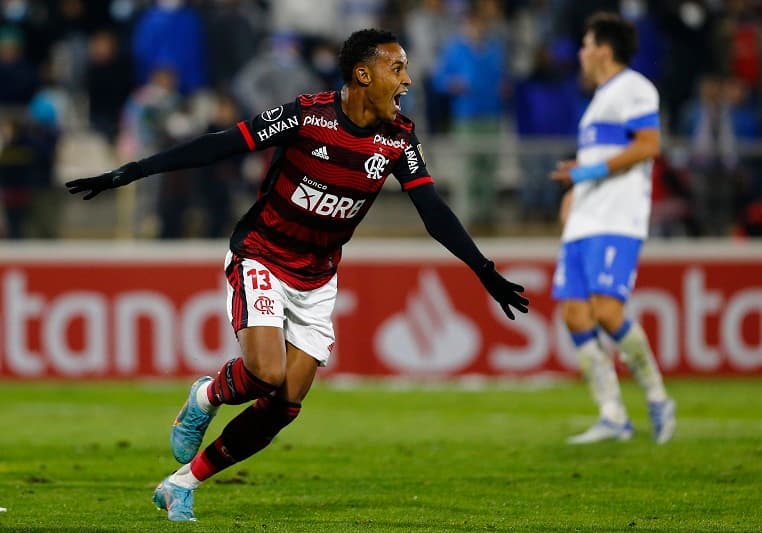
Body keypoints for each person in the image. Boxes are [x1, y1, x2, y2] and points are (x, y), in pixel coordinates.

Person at [66, 29, 529, 522]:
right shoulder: (307, 116)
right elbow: (221, 145)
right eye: (397, 69)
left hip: (317, 277)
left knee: (285, 405)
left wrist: (483, 268)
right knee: (265, 373)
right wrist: (132, 171)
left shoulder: (399, 139)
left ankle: (182, 483)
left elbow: (432, 210)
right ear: (363, 74)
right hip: (262, 255)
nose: (407, 80)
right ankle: (205, 396)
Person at [549, 13, 675, 445]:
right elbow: (597, 161)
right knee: (574, 314)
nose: (581, 54)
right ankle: (613, 414)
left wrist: (588, 173)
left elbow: (649, 145)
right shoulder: (598, 101)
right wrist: (575, 189)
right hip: (586, 218)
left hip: (617, 218)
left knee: (607, 311)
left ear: (604, 50)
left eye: (586, 45)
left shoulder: (635, 88)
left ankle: (657, 395)